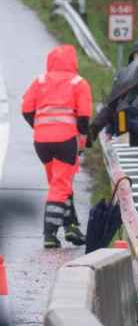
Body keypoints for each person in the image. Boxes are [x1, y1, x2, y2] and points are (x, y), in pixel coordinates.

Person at [21, 44, 93, 248]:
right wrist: (83, 139)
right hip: (65, 141)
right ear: (73, 62)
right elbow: (84, 117)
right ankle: (49, 234)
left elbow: (26, 109)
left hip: (42, 142)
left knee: (59, 184)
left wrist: (40, 126)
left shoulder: (40, 81)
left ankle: (71, 227)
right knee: (60, 186)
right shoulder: (78, 83)